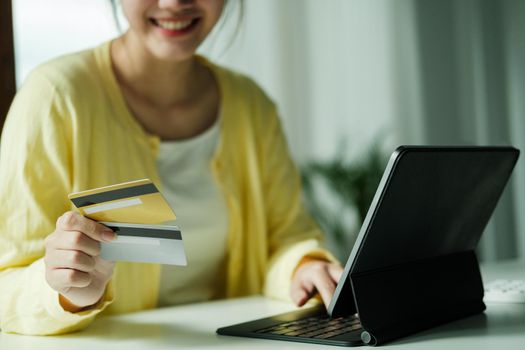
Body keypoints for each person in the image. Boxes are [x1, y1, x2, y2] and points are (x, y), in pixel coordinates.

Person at [0, 0, 343, 335]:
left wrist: (304, 267)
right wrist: (68, 293)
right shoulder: (54, 97)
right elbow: (6, 284)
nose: (174, 2)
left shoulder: (252, 105)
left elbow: (285, 239)